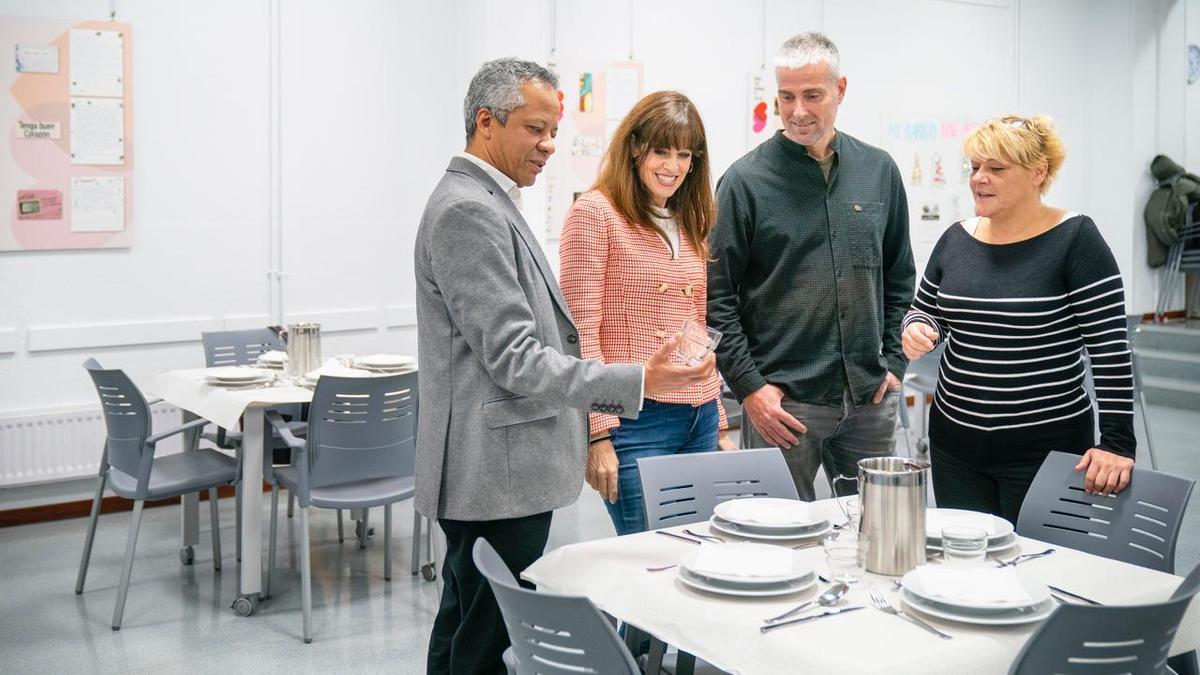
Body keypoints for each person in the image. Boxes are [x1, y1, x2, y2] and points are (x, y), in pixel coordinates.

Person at [413, 58, 715, 675]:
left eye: (554, 130)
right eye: (535, 129)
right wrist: (634, 382)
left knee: (464, 621)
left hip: (501, 465)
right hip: (495, 469)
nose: (549, 145)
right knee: (480, 636)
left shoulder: (486, 201)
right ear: (485, 122)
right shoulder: (468, 210)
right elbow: (515, 359)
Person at [707, 32, 915, 500]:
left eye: (812, 95)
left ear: (840, 90)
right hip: (782, 405)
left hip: (870, 399)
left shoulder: (878, 170)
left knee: (875, 535)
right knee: (773, 544)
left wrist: (894, 362)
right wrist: (749, 390)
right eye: (786, 96)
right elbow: (716, 299)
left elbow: (900, 279)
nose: (798, 111)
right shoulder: (745, 182)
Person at [901, 114, 1136, 524]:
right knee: (969, 572)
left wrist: (1117, 444)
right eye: (974, 167)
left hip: (1044, 451)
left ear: (1037, 172)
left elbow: (1110, 349)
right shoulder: (957, 237)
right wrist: (918, 329)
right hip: (955, 445)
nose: (979, 179)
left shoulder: (1075, 239)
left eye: (996, 168)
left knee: (1041, 574)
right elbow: (926, 311)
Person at [559, 91, 734, 536]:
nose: (672, 166)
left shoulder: (690, 221)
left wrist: (718, 418)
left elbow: (698, 330)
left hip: (700, 418)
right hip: (636, 421)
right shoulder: (595, 213)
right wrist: (597, 434)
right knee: (649, 559)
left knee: (697, 550)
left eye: (684, 154)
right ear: (636, 147)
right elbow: (580, 333)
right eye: (660, 150)